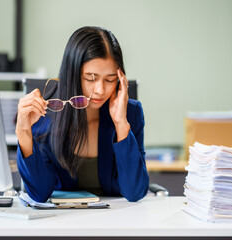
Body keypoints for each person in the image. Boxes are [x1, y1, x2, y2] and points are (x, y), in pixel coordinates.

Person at [16, 26, 149, 202]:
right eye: (91, 78)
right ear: (72, 74)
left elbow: (135, 192)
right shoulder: (43, 115)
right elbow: (40, 193)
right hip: (64, 222)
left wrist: (121, 124)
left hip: (116, 221)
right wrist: (24, 132)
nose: (100, 90)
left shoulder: (130, 113)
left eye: (110, 79)